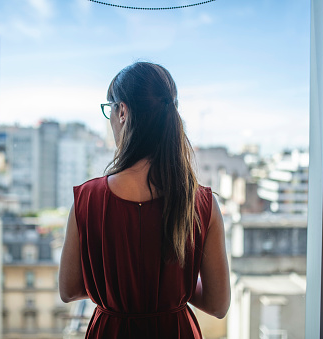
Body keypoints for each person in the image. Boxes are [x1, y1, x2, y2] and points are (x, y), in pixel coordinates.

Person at [59, 62, 230, 338]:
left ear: (123, 111)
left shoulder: (87, 200)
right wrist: (176, 287)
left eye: (110, 109)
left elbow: (68, 290)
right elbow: (218, 304)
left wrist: (116, 285)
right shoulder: (201, 203)